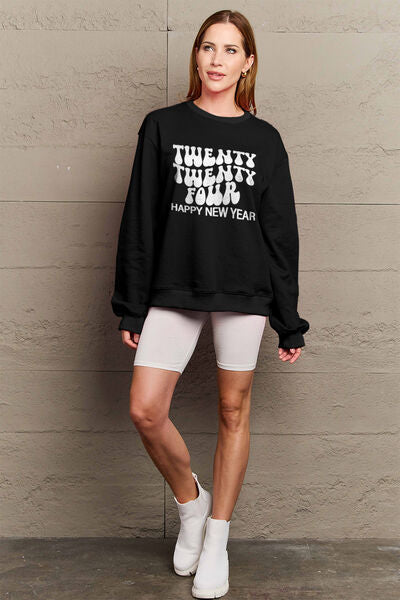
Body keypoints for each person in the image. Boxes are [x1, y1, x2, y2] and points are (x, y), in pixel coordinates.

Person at [111, 9, 310, 599]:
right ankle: (191, 504)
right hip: (174, 287)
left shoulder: (264, 139)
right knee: (146, 410)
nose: (217, 60)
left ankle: (217, 538)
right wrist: (132, 305)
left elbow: (280, 233)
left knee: (232, 411)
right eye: (207, 48)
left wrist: (289, 320)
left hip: (244, 291)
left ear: (248, 63)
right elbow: (140, 220)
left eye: (230, 50)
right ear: (196, 56)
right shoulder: (162, 126)